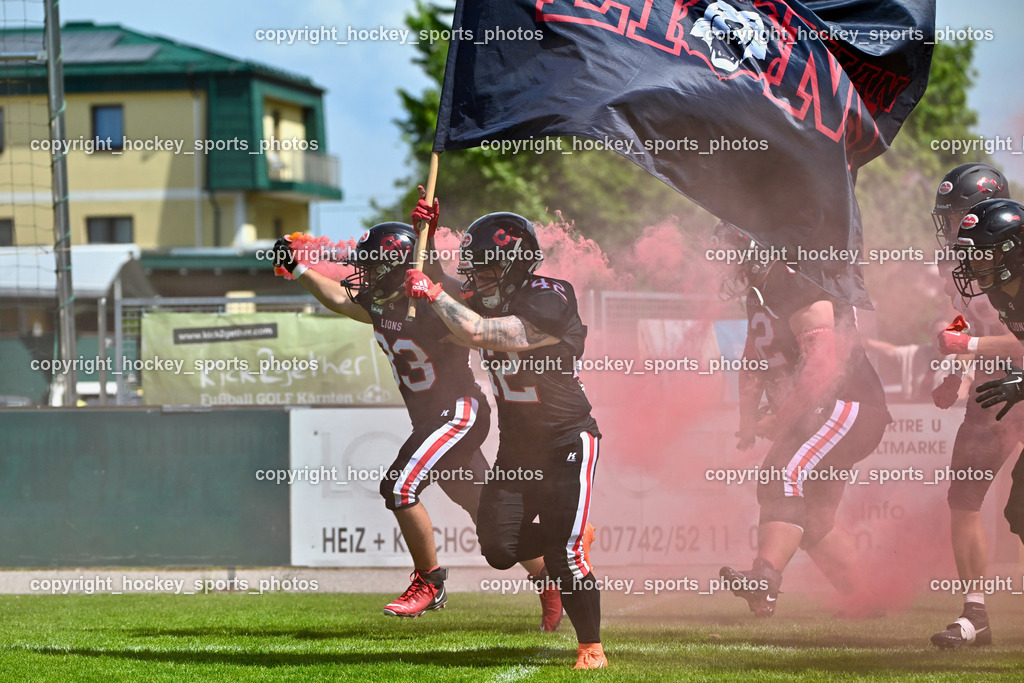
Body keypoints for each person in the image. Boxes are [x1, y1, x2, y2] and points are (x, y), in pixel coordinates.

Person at [271, 197, 561, 629]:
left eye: (370, 267)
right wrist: (297, 269)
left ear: (394, 267)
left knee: (398, 487)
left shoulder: (427, 300)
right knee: (486, 514)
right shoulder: (381, 303)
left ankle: (430, 582)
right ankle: (551, 577)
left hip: (457, 412)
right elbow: (337, 297)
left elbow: (444, 284)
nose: (362, 275)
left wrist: (428, 254)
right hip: (432, 420)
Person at [404, 211, 606, 670]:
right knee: (497, 547)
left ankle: (590, 647)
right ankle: (573, 536)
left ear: (515, 263)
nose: (476, 276)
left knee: (562, 555)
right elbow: (442, 290)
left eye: (487, 266)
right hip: (517, 449)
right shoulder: (485, 297)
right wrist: (427, 238)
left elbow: (479, 330)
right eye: (474, 266)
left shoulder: (550, 296)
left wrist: (435, 293)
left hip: (566, 441)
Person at [712, 222, 891, 617]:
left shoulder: (801, 283)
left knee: (780, 473)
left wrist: (778, 420)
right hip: (826, 409)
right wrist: (746, 422)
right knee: (814, 522)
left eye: (730, 250)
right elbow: (752, 360)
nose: (726, 262)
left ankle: (765, 580)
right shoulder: (762, 293)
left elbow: (822, 368)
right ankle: (867, 600)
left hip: (849, 404)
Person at [928, 164, 1022, 649]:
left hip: (1016, 379)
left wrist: (965, 351)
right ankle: (976, 615)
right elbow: (969, 319)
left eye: (960, 215)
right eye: (948, 218)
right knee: (965, 498)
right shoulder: (962, 262)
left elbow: (1014, 340)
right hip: (994, 388)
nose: (952, 228)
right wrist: (956, 375)